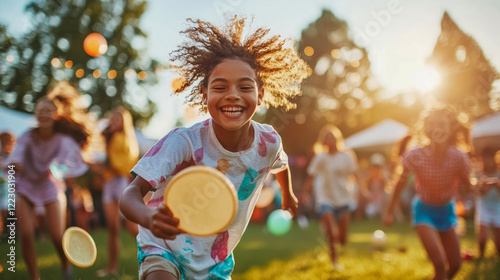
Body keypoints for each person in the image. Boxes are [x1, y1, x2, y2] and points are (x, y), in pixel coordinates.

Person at [119, 15, 309, 280]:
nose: (232, 94)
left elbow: (281, 164)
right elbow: (129, 195)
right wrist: (147, 218)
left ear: (261, 93)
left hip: (215, 259)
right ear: (204, 93)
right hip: (163, 248)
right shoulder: (183, 142)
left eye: (245, 86)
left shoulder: (269, 142)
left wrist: (287, 195)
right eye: (220, 87)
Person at [383, 106, 474, 280]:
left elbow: (469, 185)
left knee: (455, 265)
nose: (435, 128)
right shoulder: (414, 155)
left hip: (447, 211)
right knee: (439, 264)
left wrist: (484, 186)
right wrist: (389, 211)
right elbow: (399, 185)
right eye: (430, 124)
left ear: (450, 129)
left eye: (440, 124)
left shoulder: (459, 157)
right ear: (424, 128)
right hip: (423, 210)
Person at [7, 97, 90, 280]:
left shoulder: (62, 140)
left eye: (47, 110)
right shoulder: (28, 136)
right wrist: (16, 163)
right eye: (40, 110)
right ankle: (34, 277)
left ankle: (65, 264)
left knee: (56, 236)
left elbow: (63, 164)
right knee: (27, 234)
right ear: (35, 114)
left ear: (55, 115)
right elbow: (18, 153)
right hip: (26, 186)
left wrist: (56, 168)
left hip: (50, 186)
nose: (43, 113)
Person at [301, 124, 358, 270]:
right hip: (325, 197)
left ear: (338, 139)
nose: (330, 140)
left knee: (343, 239)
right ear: (324, 142)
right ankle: (335, 262)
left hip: (343, 197)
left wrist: (362, 191)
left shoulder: (347, 156)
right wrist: (305, 194)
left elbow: (355, 174)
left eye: (333, 137)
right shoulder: (320, 158)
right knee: (332, 234)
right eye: (327, 138)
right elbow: (311, 177)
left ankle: (331, 231)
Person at [97, 107, 140, 277]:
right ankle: (112, 267)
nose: (113, 122)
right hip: (109, 185)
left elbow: (125, 166)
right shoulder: (111, 139)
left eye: (117, 119)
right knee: (112, 229)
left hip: (121, 183)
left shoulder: (124, 139)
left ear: (124, 122)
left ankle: (157, 253)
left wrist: (105, 168)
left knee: (130, 226)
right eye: (111, 119)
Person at [474, 146, 500, 258]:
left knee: (499, 243)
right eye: (485, 158)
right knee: (482, 238)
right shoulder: (479, 174)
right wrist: (485, 188)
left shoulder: (499, 173)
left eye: (490, 158)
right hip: (483, 206)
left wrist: (498, 186)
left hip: (498, 206)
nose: (488, 161)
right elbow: (478, 191)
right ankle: (481, 256)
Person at [0, 131, 16, 236]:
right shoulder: (1, 155)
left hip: (11, 186)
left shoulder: (14, 155)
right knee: (4, 207)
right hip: (2, 184)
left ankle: (7, 229)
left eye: (9, 140)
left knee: (8, 207)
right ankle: (4, 230)